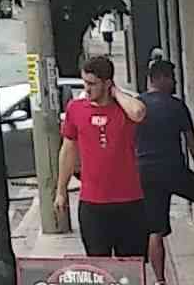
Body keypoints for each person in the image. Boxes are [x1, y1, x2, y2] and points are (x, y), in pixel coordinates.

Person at [134, 54, 194, 283]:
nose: (174, 82)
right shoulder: (175, 105)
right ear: (160, 78)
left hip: (145, 173)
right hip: (173, 171)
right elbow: (191, 141)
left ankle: (160, 283)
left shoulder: (136, 106)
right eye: (171, 78)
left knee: (155, 229)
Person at [52, 49, 148, 259]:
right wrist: (61, 190)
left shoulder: (124, 109)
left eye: (92, 84)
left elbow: (139, 112)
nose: (86, 88)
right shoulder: (76, 109)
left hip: (129, 201)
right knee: (98, 266)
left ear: (107, 83)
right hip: (93, 202)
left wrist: (116, 93)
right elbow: (68, 151)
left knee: (131, 266)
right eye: (84, 82)